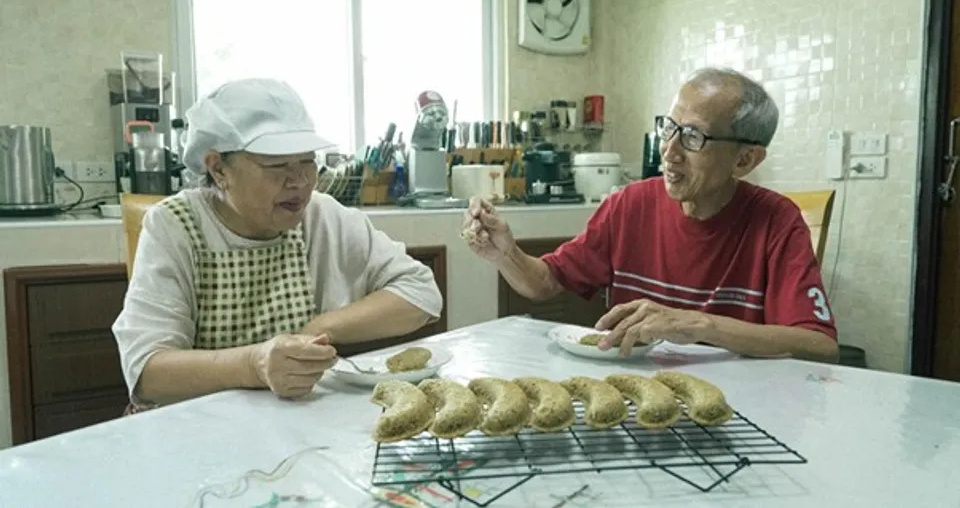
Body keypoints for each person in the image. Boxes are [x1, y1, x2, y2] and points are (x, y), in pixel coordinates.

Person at [462, 67, 839, 363]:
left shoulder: (776, 220)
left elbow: (819, 346)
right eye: (669, 128)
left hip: (737, 406)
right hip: (637, 396)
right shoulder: (629, 205)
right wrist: (505, 254)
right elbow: (544, 283)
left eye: (693, 137)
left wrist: (698, 324)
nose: (670, 152)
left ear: (745, 159)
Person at [112, 78, 443, 411]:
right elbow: (147, 375)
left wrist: (318, 328)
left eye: (307, 161)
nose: (299, 181)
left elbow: (422, 295)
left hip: (292, 423)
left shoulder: (321, 216)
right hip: (197, 428)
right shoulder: (176, 225)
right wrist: (255, 364)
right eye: (277, 165)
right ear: (218, 169)